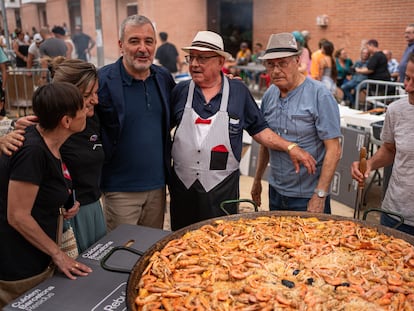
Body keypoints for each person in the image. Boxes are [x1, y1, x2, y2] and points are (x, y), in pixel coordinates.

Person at [169, 31, 317, 230]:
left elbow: (260, 130)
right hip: (182, 189)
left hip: (221, 190)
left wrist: (290, 146)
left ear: (220, 61)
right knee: (179, 241)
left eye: (202, 58)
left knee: (221, 244)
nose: (194, 63)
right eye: (192, 57)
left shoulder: (238, 92)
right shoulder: (180, 91)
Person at [0, 82, 92, 307]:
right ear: (66, 121)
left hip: (37, 257)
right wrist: (58, 254)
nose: (89, 110)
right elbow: (18, 216)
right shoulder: (32, 152)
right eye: (82, 107)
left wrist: (65, 202)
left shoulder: (44, 136)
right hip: (21, 267)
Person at [17, 58, 107, 253]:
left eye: (96, 92)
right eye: (87, 95)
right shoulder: (42, 132)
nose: (95, 100)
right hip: (65, 218)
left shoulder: (93, 118)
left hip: (93, 208)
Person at [97, 15, 175, 231]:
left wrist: (226, 84)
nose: (143, 48)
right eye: (134, 41)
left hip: (158, 189)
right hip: (119, 190)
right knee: (121, 255)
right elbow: (72, 114)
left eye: (148, 41)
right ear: (121, 45)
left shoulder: (163, 78)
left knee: (150, 253)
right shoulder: (102, 81)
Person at [250, 32, 341, 214]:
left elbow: (334, 149)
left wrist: (320, 194)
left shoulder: (319, 95)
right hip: (276, 191)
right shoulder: (269, 95)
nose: (276, 71)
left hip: (307, 196)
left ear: (298, 60)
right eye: (271, 64)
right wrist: (258, 179)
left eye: (282, 63)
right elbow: (267, 142)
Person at [351, 52, 414, 235]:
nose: (407, 86)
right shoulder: (396, 110)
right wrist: (369, 164)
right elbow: (389, 149)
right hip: (395, 213)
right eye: (407, 77)